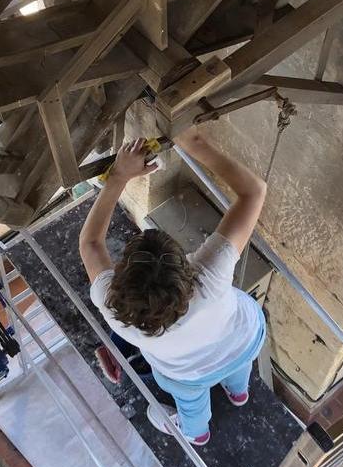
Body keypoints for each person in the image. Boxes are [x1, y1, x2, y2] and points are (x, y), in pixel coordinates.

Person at [79, 129, 268, 445]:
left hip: (187, 375)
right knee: (239, 362)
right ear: (183, 266)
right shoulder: (209, 273)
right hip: (244, 340)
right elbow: (254, 192)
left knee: (191, 402)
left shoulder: (110, 304)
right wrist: (192, 140)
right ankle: (238, 392)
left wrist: (118, 177)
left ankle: (197, 433)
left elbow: (90, 242)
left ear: (122, 276)